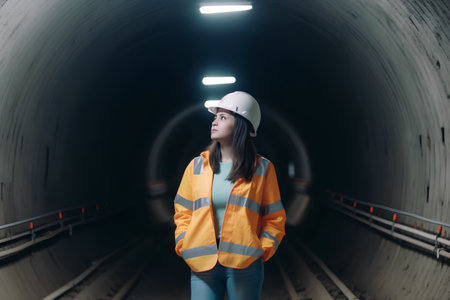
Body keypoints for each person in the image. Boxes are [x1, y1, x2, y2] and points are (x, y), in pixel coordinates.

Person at [173, 91, 286, 300]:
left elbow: (275, 218)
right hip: (202, 262)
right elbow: (183, 213)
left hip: (244, 264)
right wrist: (184, 242)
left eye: (223, 117)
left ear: (241, 125)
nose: (215, 122)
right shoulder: (197, 166)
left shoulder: (262, 169)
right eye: (215, 117)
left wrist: (261, 250)